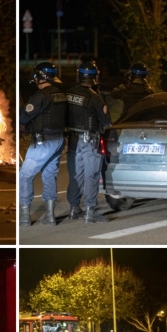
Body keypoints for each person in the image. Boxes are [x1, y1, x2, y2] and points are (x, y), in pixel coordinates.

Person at [19, 62, 67, 226]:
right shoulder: (60, 94)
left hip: (43, 142)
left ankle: (25, 217)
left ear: (40, 77)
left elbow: (24, 117)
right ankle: (50, 216)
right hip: (58, 140)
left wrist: (21, 110)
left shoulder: (41, 96)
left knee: (24, 176)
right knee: (49, 176)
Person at [66, 61, 112, 223]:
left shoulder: (69, 93)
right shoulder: (94, 97)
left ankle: (74, 209)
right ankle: (90, 212)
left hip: (73, 140)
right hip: (90, 141)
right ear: (95, 77)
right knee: (91, 175)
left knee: (76, 175)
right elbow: (106, 122)